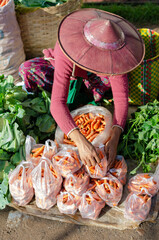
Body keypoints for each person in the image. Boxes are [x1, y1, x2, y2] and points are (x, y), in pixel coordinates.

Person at [19, 8, 145, 169]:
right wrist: (80, 141)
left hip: (90, 80)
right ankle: (80, 97)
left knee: (108, 80)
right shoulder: (68, 47)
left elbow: (121, 99)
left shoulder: (115, 56)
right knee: (28, 68)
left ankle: (85, 96)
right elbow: (57, 103)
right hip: (67, 73)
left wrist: (115, 136)